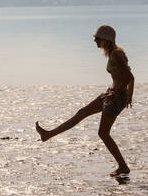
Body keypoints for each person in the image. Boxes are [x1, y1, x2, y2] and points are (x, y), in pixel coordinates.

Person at [36, 24, 134, 177]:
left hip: (115, 96)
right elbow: (130, 78)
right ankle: (48, 134)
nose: (95, 41)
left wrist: (119, 94)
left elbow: (129, 77)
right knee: (82, 113)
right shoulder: (113, 53)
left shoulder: (116, 54)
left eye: (97, 38)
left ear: (106, 39)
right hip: (112, 94)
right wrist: (128, 96)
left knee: (103, 133)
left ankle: (123, 167)